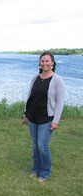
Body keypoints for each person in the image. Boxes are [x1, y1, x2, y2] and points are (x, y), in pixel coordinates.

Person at [24, 51, 65, 183]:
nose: (44, 63)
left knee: (42, 146)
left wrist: (56, 121)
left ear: (52, 63)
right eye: (42, 61)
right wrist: (26, 114)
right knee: (35, 146)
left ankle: (45, 172)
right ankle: (36, 169)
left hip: (47, 118)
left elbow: (60, 102)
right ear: (39, 63)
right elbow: (30, 96)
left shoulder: (57, 80)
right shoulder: (35, 78)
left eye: (47, 61)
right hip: (32, 117)